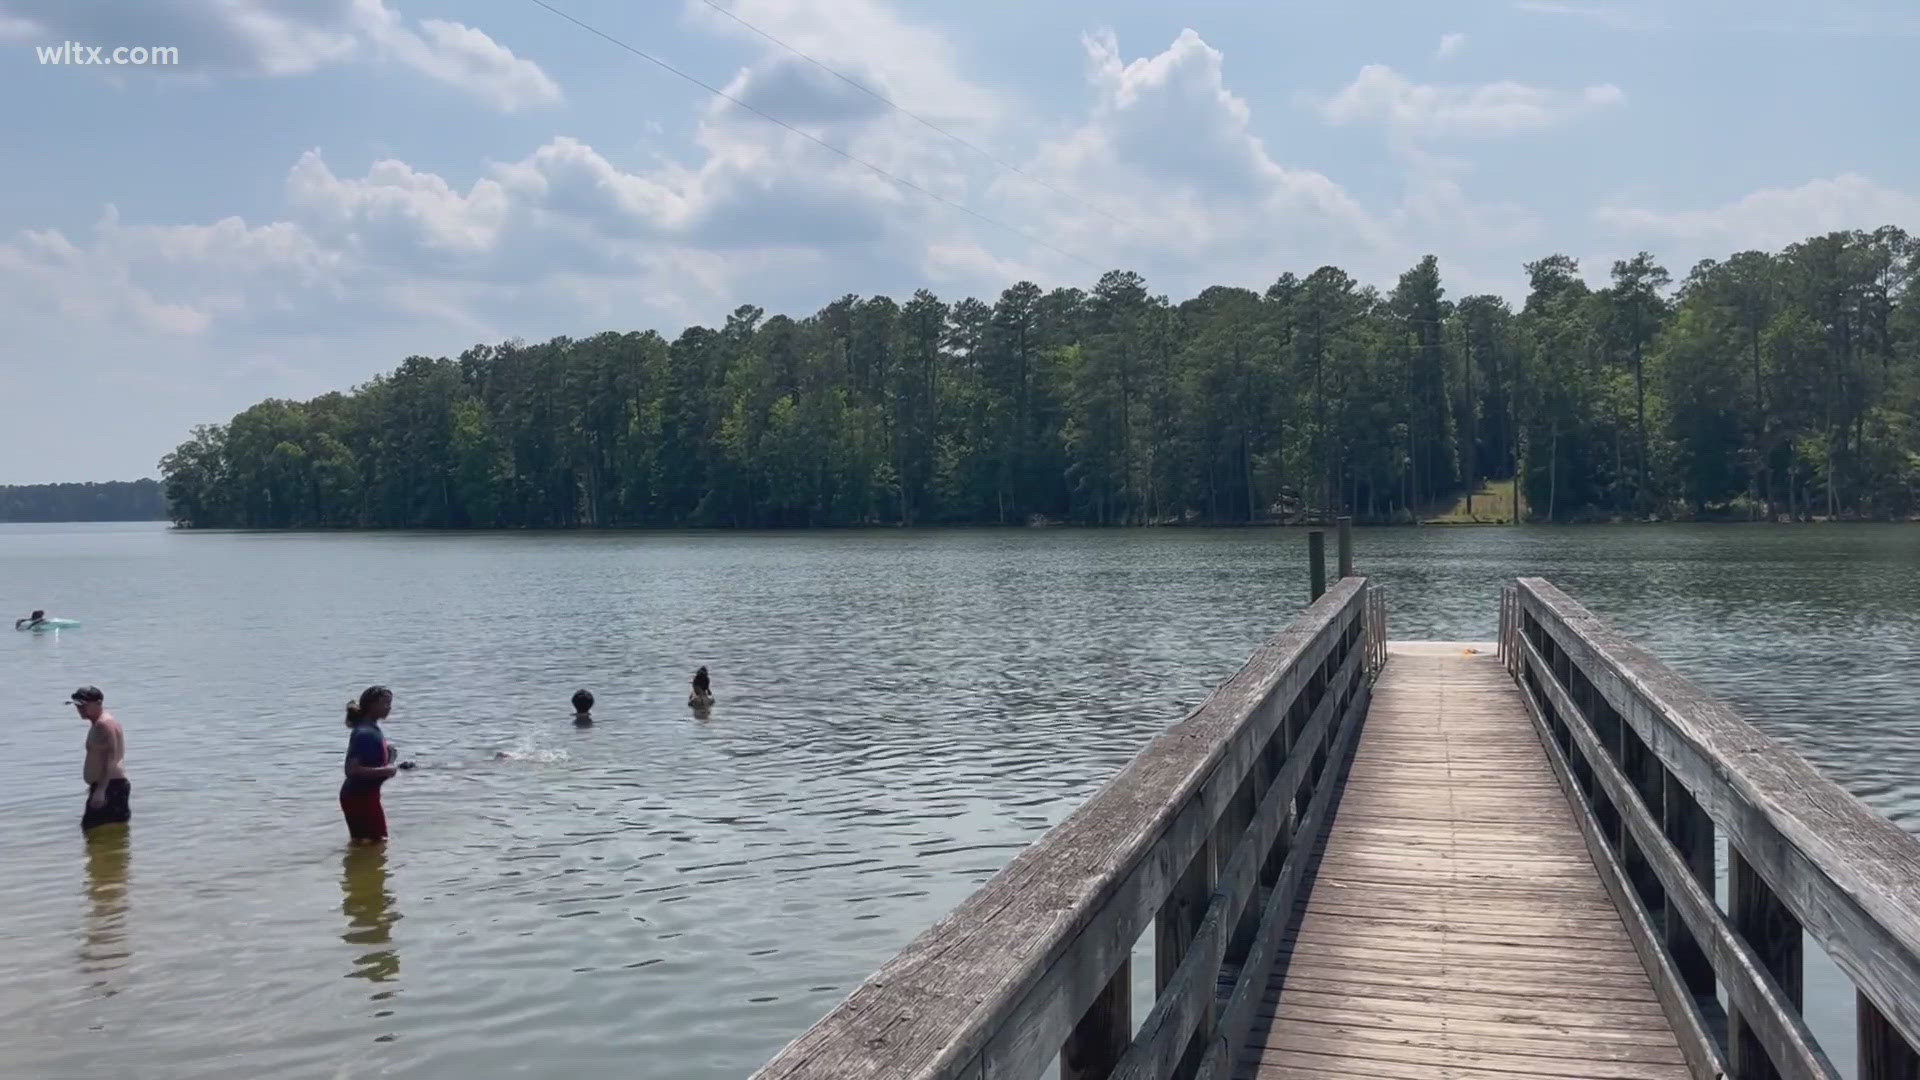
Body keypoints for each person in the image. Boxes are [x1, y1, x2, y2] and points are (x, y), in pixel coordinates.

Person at [340, 685, 409, 845]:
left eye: (390, 703)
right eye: (385, 703)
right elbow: (351, 770)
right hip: (359, 798)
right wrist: (388, 769)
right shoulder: (364, 732)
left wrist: (390, 759)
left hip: (364, 796)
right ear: (372, 705)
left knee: (369, 844)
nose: (389, 708)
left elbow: (376, 766)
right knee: (376, 842)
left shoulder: (371, 728)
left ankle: (359, 868)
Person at [73, 686, 130, 831]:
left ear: (98, 703)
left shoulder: (104, 724)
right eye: (78, 705)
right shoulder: (101, 723)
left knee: (96, 832)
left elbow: (111, 758)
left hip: (111, 786)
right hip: (109, 785)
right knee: (104, 833)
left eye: (84, 705)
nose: (80, 709)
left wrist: (101, 790)